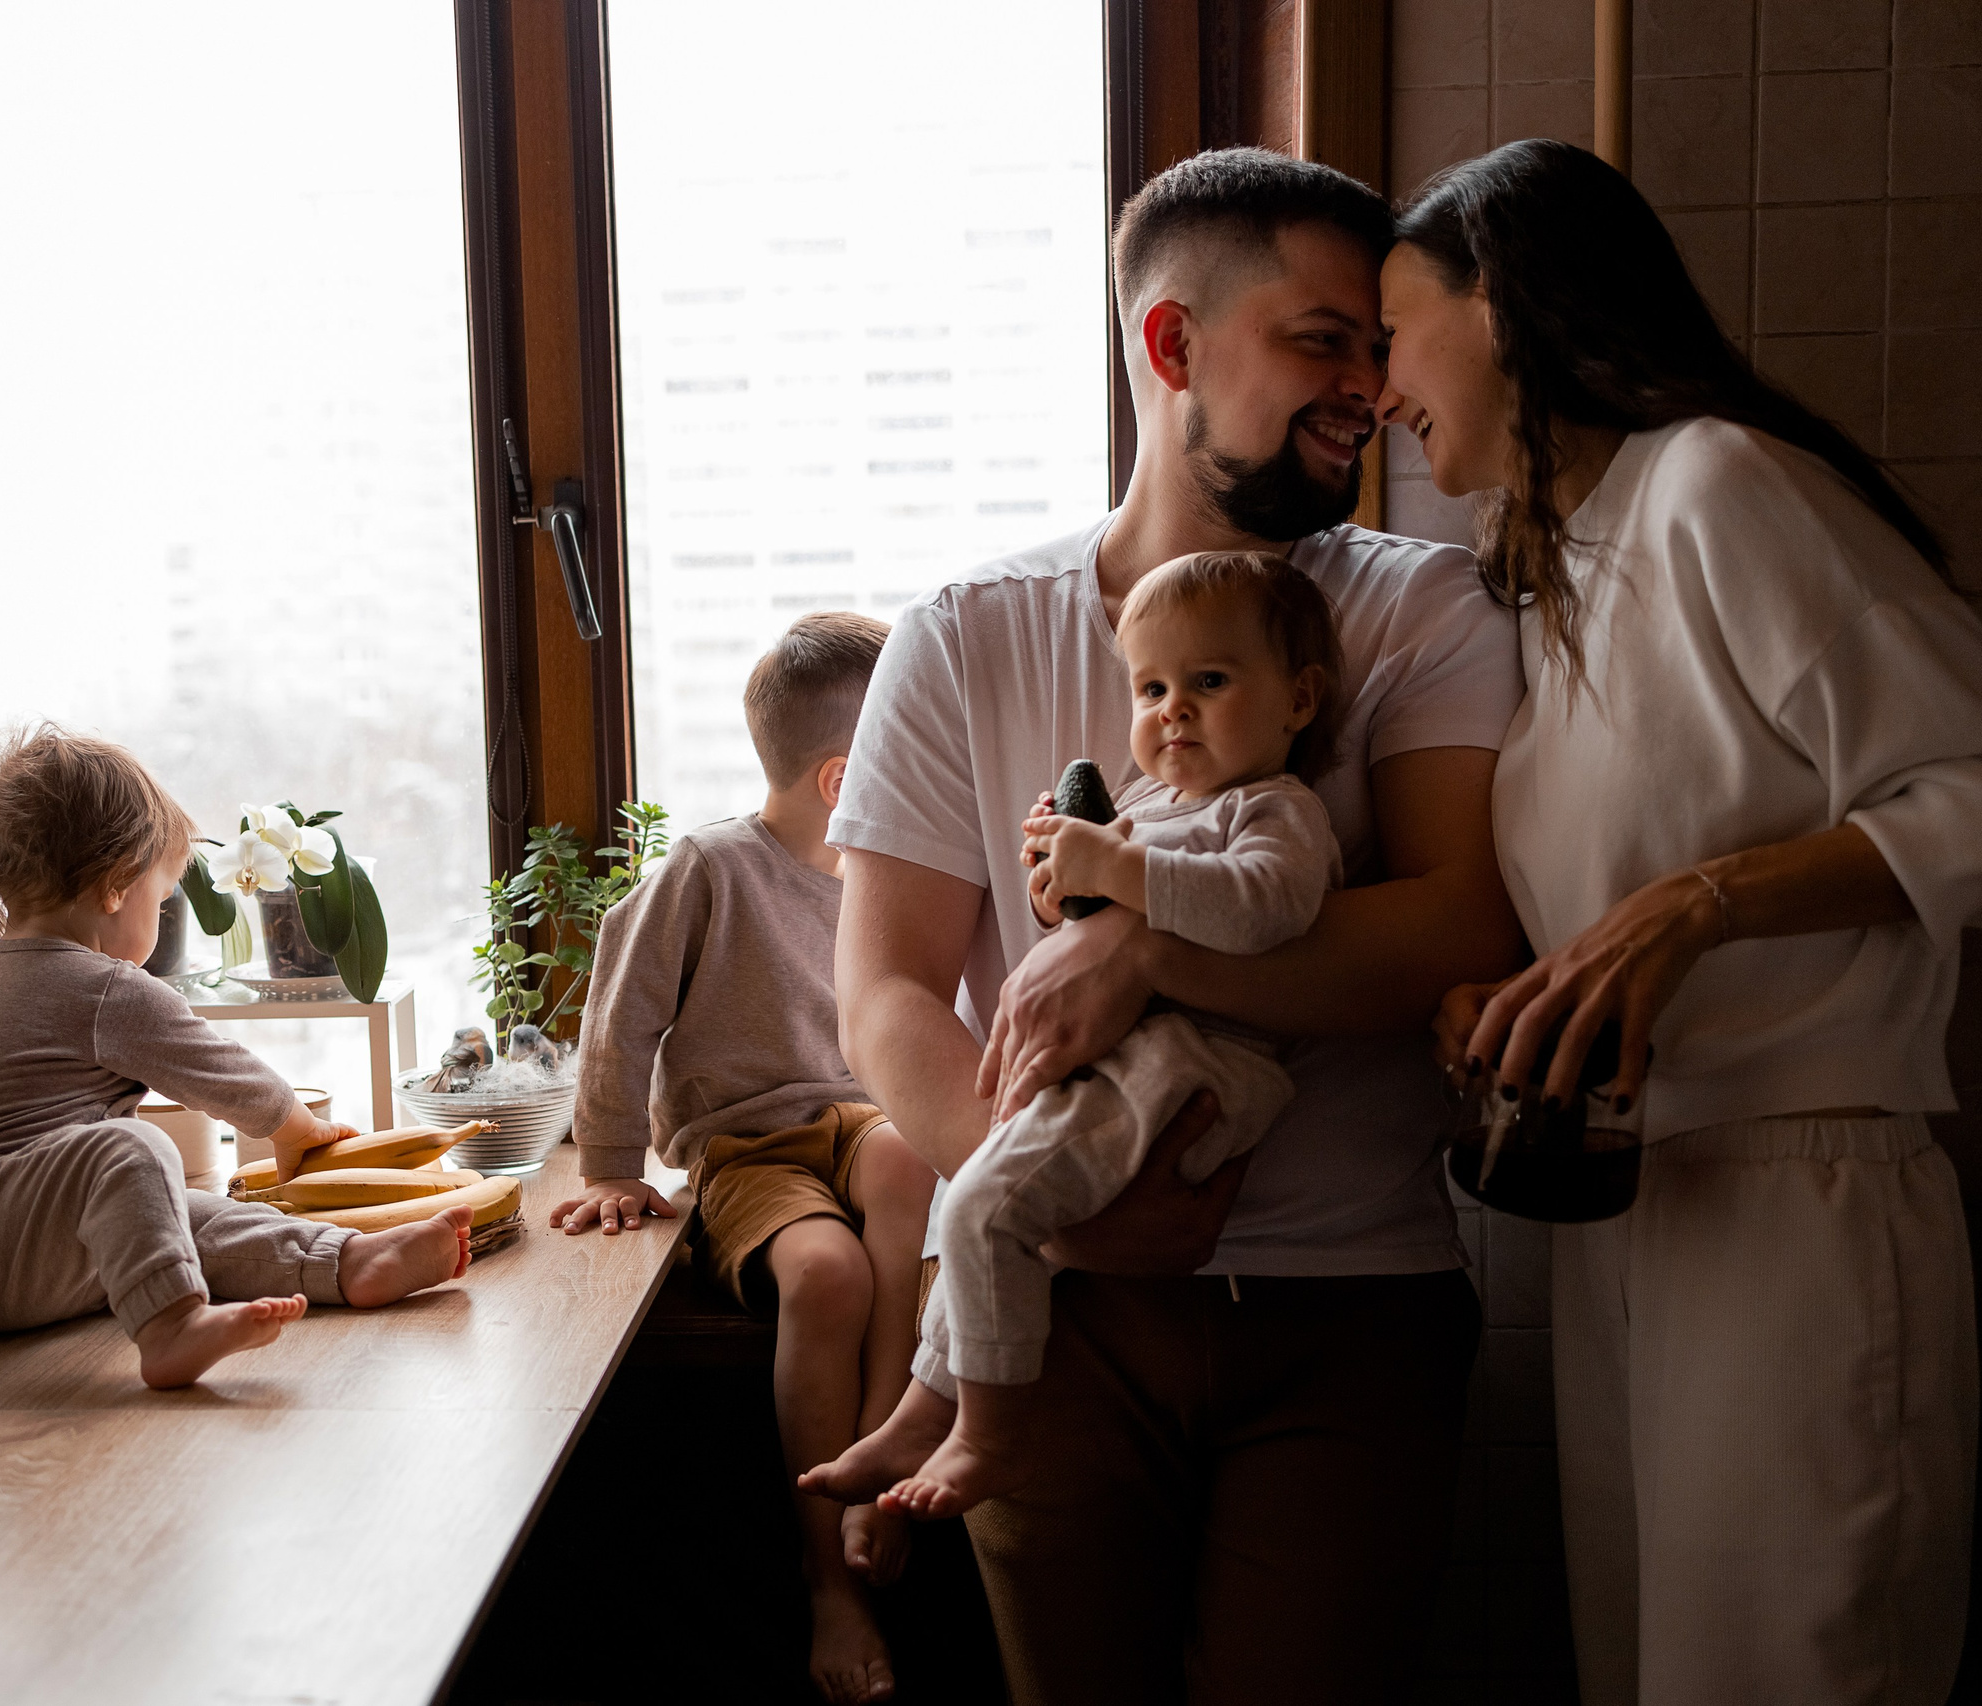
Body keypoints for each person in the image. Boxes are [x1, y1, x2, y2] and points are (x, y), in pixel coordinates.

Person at [1378, 140, 1982, 1706]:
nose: (1378, 393)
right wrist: (1528, 997)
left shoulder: (1719, 484)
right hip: (1636, 1207)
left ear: (1499, 302)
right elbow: (1645, 853)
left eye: (1392, 335)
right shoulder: (1557, 569)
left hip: (1802, 1200)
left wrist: (1699, 909)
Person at [829, 147, 1528, 1703]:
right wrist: (1046, 1205)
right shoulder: (963, 635)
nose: (1369, 388)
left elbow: (1458, 925)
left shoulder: (1423, 611)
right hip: (1050, 1317)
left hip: (1355, 1307)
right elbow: (882, 993)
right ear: (1173, 344)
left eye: (1378, 349)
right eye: (1322, 341)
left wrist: (1146, 943)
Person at [808, 551, 1342, 1519]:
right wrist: (1058, 876)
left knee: (985, 1208)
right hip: (1129, 1064)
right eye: (1151, 689)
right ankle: (926, 1408)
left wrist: (1121, 876)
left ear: (1297, 699)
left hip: (1198, 1067)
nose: (1172, 712)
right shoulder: (1146, 801)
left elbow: (1266, 905)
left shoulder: (1275, 808)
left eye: (1209, 682)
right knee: (987, 1203)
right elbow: (1088, 916)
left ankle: (990, 1435)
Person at [556, 612, 937, 1706]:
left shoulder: (890, 874)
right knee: (825, 1273)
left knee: (908, 1162)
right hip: (749, 1143)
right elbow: (619, 1010)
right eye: (907, 752)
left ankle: (880, 1459)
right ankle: (831, 1577)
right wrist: (609, 1162)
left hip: (862, 1126)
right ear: (842, 778)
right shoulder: (711, 866)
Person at [0, 725, 474, 1390]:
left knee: (175, 1211)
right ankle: (171, 1324)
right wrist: (297, 1128)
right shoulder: (102, 988)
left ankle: (344, 1261)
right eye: (163, 900)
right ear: (115, 886)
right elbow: (218, 1069)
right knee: (133, 1149)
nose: (164, 917)